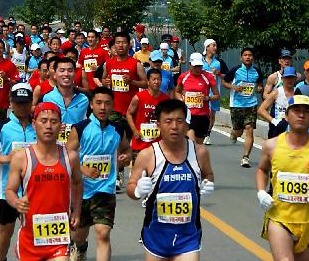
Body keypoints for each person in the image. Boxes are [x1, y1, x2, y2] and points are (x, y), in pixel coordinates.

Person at [256, 95, 309, 261]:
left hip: (308, 220)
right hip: (279, 218)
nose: (301, 115)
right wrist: (261, 191)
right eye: (296, 111)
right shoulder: (271, 145)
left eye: (306, 112)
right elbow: (261, 170)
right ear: (287, 116)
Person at [127, 99, 214, 261]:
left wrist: (207, 183)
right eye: (168, 121)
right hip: (156, 235)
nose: (174, 126)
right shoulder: (147, 155)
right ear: (158, 125)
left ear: (186, 125)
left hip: (188, 236)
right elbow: (130, 187)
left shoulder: (200, 152)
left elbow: (208, 174)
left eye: (179, 121)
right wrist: (137, 190)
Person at [5, 102, 83, 261]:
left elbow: (77, 183)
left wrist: (76, 210)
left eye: (54, 121)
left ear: (61, 126)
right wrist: (16, 202)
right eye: (44, 120)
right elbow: (9, 191)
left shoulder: (71, 157)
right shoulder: (21, 158)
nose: (48, 126)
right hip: (30, 239)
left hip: (59, 239)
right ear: (34, 124)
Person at [66, 87, 131, 261]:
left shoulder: (118, 129)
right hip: (81, 191)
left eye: (107, 103)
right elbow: (65, 157)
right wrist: (82, 168)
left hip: (105, 189)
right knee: (79, 235)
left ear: (113, 106)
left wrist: (126, 156)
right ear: (92, 105)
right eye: (99, 103)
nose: (103, 107)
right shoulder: (80, 128)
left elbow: (126, 149)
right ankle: (80, 247)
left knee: (103, 233)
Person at [0, 83, 36, 261]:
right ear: (10, 102)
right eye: (18, 102)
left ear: (31, 104)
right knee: (6, 231)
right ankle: (1, 259)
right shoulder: (2, 127)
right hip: (7, 191)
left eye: (25, 103)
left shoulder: (39, 125)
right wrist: (6, 159)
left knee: (35, 231)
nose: (21, 107)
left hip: (35, 191)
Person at [101, 31, 146, 190]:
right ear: (114, 45)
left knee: (134, 142)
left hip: (132, 110)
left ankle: (136, 175)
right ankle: (118, 174)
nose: (121, 45)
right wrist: (105, 81)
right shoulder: (109, 63)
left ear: (129, 44)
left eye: (124, 42)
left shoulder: (135, 64)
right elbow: (104, 80)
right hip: (114, 109)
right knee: (117, 142)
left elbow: (145, 84)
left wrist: (132, 81)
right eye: (118, 42)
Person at [222, 47, 263, 168]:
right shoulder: (235, 70)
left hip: (251, 104)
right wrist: (233, 87)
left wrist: (260, 88)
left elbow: (260, 83)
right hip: (236, 104)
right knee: (239, 132)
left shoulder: (257, 71)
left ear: (253, 57)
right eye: (245, 55)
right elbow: (224, 82)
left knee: (249, 128)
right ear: (241, 58)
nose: (247, 57)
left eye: (250, 55)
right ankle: (234, 133)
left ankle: (246, 157)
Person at [43, 57, 91, 144]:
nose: (66, 74)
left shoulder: (85, 99)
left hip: (78, 148)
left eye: (70, 70)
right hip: (53, 148)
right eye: (62, 70)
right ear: (54, 74)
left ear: (74, 74)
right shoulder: (46, 98)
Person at [126, 68, 171, 161]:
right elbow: (129, 114)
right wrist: (134, 130)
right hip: (140, 143)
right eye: (153, 79)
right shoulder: (138, 97)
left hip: (158, 144)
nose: (156, 82)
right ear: (148, 81)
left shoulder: (166, 99)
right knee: (138, 173)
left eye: (159, 79)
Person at [175, 53, 219, 144]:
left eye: (200, 66)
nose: (198, 69)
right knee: (191, 142)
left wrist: (207, 98)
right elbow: (177, 92)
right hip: (187, 115)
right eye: (195, 66)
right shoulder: (183, 76)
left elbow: (217, 95)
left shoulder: (208, 76)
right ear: (190, 64)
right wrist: (181, 100)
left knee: (198, 146)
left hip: (203, 116)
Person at [259, 66, 298, 138]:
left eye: (292, 78)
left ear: (295, 79)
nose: (289, 80)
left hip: (292, 130)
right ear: (282, 79)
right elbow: (261, 110)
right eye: (287, 77)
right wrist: (274, 121)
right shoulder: (276, 92)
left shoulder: (298, 92)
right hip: (277, 129)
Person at [200, 39, 223, 145]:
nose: (215, 48)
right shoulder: (200, 61)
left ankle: (207, 134)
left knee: (211, 115)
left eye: (216, 45)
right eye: (213, 45)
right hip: (202, 91)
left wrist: (217, 73)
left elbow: (226, 76)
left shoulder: (218, 63)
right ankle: (202, 132)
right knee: (204, 114)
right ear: (207, 47)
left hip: (214, 92)